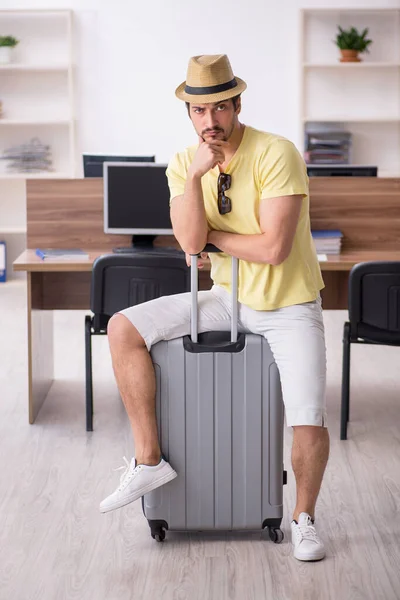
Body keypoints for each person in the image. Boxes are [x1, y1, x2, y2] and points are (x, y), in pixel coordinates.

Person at [100, 54, 329, 562]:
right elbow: (187, 240)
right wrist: (195, 182)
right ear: (189, 114)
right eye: (200, 112)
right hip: (229, 300)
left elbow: (274, 249)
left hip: (289, 304)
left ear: (237, 105)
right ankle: (149, 460)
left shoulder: (277, 152)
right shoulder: (187, 163)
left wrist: (213, 239)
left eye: (220, 108)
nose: (211, 121)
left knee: (308, 417)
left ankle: (304, 519)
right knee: (122, 328)